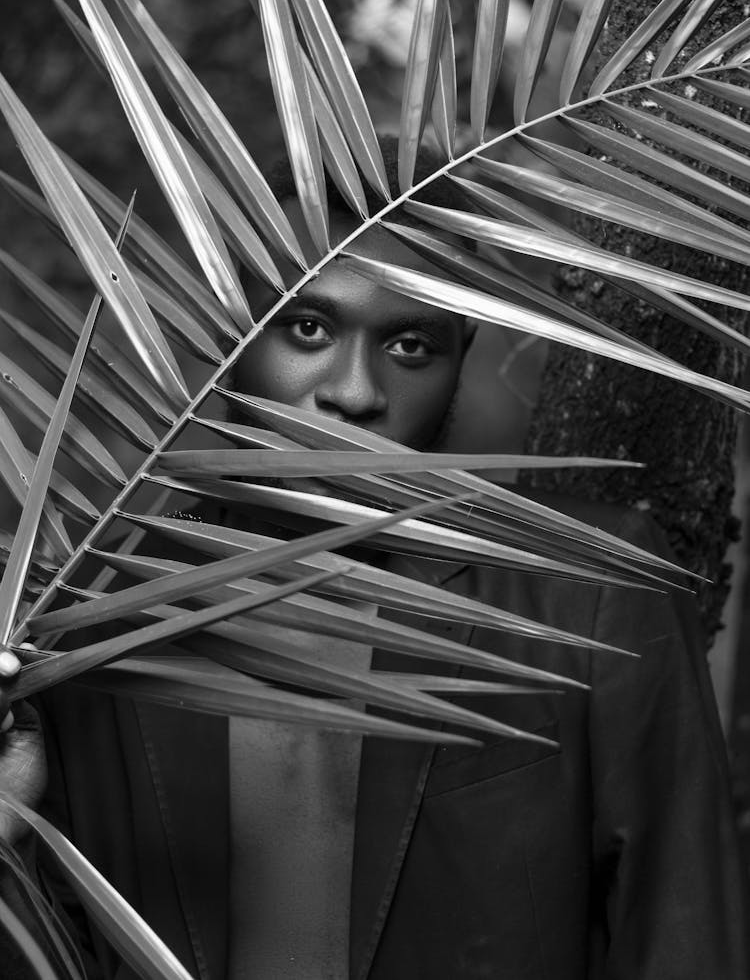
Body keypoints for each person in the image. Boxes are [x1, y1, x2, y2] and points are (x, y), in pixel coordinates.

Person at [1, 138, 749, 979]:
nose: (354, 391)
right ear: (223, 335)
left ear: (461, 356)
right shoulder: (94, 613)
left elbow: (682, 934)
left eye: (409, 346)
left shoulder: (589, 593)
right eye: (308, 326)